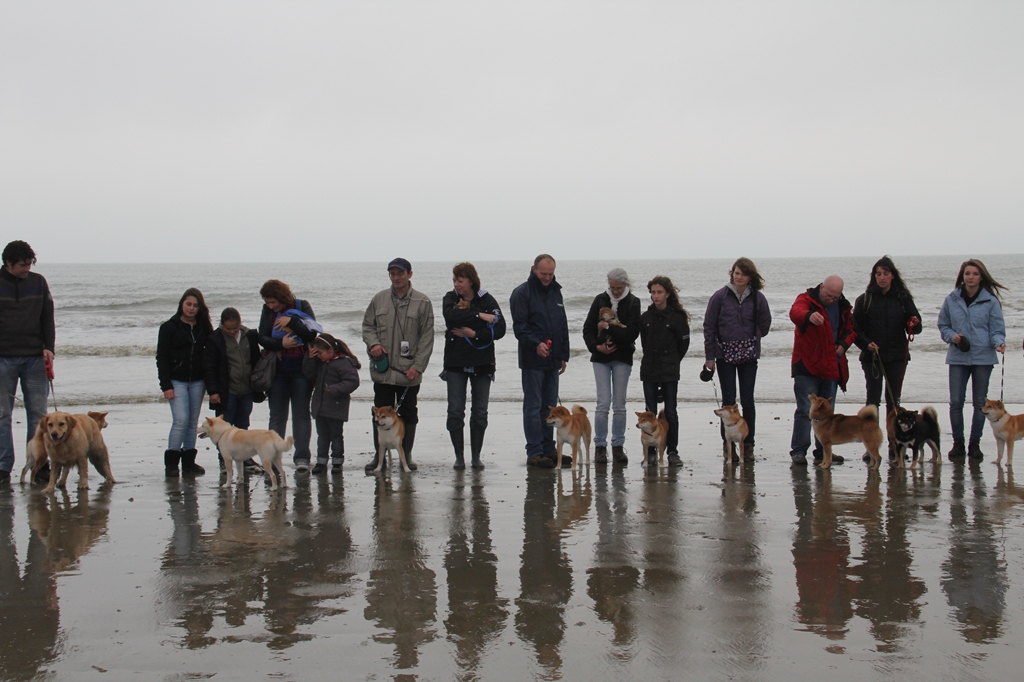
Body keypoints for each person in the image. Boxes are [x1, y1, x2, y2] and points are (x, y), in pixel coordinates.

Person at [361, 258, 434, 471]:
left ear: (409, 274)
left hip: (408, 371)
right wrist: (373, 344)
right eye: (392, 273)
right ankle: (379, 456)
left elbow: (427, 338)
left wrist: (418, 367)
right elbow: (367, 326)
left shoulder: (423, 302)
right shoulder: (379, 299)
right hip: (383, 371)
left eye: (400, 273)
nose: (396, 277)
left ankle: (406, 454)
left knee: (409, 413)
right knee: (379, 414)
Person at [702, 257, 772, 463]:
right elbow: (709, 326)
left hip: (749, 355)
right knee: (728, 400)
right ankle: (728, 446)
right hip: (724, 355)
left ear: (751, 276)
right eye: (736, 273)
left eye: (743, 274)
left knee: (748, 400)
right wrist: (709, 357)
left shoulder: (758, 298)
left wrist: (754, 336)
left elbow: (765, 324)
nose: (739, 277)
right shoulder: (720, 297)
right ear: (732, 273)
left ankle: (748, 445)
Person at [852, 256, 922, 459]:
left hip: (897, 355)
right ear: (873, 277)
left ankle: (895, 445)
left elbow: (917, 327)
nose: (882, 278)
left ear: (893, 276)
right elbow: (854, 329)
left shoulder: (903, 298)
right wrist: (866, 343)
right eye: (878, 274)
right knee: (872, 401)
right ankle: (870, 446)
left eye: (885, 273)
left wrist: (913, 323)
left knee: (894, 401)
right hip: (872, 356)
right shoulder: (864, 299)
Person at [937, 259, 1006, 461]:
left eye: (975, 274)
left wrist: (998, 343)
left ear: (981, 276)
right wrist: (952, 337)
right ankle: (958, 444)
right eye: (968, 273)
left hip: (983, 357)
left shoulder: (990, 301)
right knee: (956, 402)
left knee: (979, 403)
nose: (971, 277)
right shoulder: (951, 299)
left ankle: (974, 445)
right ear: (962, 276)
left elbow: (997, 329)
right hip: (958, 357)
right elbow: (943, 325)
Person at [442, 262, 506, 470]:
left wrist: (474, 333)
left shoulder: (487, 299)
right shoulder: (450, 298)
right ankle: (459, 457)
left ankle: (476, 456)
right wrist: (480, 316)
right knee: (455, 411)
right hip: (455, 363)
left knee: (479, 412)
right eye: (454, 280)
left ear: (471, 280)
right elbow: (451, 316)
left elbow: (501, 328)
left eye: (460, 281)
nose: (457, 285)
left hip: (482, 363)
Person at [0, 240, 54, 484]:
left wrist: (48, 348)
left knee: (39, 416)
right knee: (2, 415)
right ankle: (3, 467)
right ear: (8, 263)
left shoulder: (38, 282)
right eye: (22, 265)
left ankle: (39, 464)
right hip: (3, 359)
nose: (26, 269)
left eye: (30, 264)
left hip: (34, 358)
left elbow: (47, 316)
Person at [509, 254, 570, 469]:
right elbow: (520, 327)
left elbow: (562, 325)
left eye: (551, 274)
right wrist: (536, 344)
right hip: (532, 361)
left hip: (553, 361)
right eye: (543, 273)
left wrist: (563, 354)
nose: (547, 277)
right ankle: (534, 451)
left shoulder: (556, 292)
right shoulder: (521, 293)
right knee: (533, 407)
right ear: (534, 269)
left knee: (550, 408)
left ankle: (549, 449)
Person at [788, 275, 856, 466]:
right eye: (829, 295)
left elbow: (851, 329)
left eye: (835, 297)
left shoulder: (843, 306)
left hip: (831, 364)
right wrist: (809, 316)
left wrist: (843, 344)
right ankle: (799, 451)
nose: (831, 300)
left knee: (828, 411)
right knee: (805, 409)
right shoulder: (806, 299)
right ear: (821, 287)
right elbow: (795, 313)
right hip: (806, 364)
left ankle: (824, 451)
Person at [258, 279, 320, 472]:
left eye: (273, 302)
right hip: (277, 371)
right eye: (268, 302)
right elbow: (262, 337)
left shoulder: (302, 305)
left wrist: (291, 321)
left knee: (301, 415)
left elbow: (312, 334)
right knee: (277, 416)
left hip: (301, 370)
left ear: (282, 297)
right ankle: (273, 459)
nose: (270, 306)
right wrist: (280, 345)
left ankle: (302, 457)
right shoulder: (268, 311)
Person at [582, 267, 641, 464]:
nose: (615, 291)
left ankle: (617, 445)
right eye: (612, 287)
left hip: (622, 357)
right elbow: (588, 328)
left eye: (618, 287)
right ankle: (600, 446)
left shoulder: (633, 302)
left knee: (619, 403)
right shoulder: (600, 300)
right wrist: (597, 347)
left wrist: (607, 328)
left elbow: (631, 333)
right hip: (600, 358)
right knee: (603, 403)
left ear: (626, 285)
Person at [157, 288, 213, 477]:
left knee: (192, 423)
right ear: (182, 304)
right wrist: (166, 385)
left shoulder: (203, 327)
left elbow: (212, 351)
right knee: (180, 420)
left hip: (198, 381)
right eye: (188, 304)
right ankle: (172, 464)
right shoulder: (169, 327)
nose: (191, 308)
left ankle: (189, 462)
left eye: (195, 305)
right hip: (176, 381)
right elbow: (161, 357)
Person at [203, 307, 265, 472]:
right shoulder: (215, 339)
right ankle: (224, 460)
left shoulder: (249, 335)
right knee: (224, 427)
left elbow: (256, 359)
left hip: (246, 389)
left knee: (243, 426)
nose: (231, 331)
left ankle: (244, 459)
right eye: (228, 328)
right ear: (222, 325)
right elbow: (209, 368)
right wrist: (213, 391)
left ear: (240, 324)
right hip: (226, 391)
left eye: (235, 328)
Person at [638, 275, 690, 467]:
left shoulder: (677, 318)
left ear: (667, 293)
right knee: (650, 410)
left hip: (669, 368)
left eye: (659, 292)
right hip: (650, 368)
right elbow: (643, 341)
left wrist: (673, 361)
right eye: (653, 292)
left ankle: (672, 451)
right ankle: (651, 451)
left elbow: (683, 343)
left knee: (670, 411)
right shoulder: (645, 318)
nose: (656, 296)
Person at [302, 333, 361, 474]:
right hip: (320, 406)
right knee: (322, 435)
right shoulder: (319, 362)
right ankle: (321, 461)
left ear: (330, 350)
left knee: (335, 435)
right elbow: (308, 374)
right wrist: (310, 358)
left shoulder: (344, 362)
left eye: (320, 353)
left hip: (336, 406)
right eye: (317, 353)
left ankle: (337, 462)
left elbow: (353, 381)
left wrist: (334, 389)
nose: (319, 356)